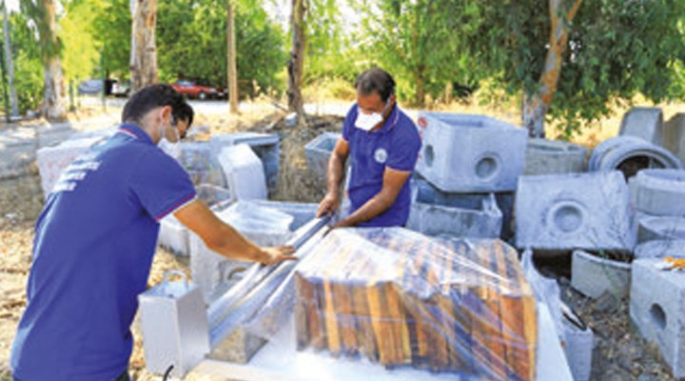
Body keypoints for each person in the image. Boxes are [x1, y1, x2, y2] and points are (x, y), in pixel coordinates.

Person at [10, 84, 296, 381]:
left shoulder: (91, 158)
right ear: (165, 115)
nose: (175, 143)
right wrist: (263, 254)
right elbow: (216, 237)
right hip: (83, 361)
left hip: (32, 354)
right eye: (178, 134)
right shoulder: (146, 159)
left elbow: (89, 242)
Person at [316, 68, 422, 228]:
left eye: (371, 110)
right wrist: (332, 193)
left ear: (391, 100)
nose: (364, 114)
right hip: (355, 209)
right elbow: (338, 154)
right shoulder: (355, 113)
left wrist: (346, 223)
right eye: (361, 107)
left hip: (387, 223)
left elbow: (386, 196)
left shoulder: (404, 136)